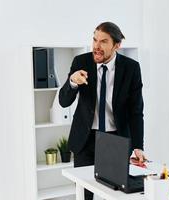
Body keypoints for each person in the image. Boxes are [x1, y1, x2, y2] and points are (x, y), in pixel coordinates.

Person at [59, 22, 145, 200]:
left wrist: (138, 145)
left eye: (103, 41)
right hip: (85, 139)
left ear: (117, 45)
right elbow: (63, 101)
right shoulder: (80, 62)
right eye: (94, 39)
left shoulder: (131, 68)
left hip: (116, 139)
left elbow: (136, 111)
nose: (96, 46)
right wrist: (72, 82)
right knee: (85, 193)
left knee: (115, 192)